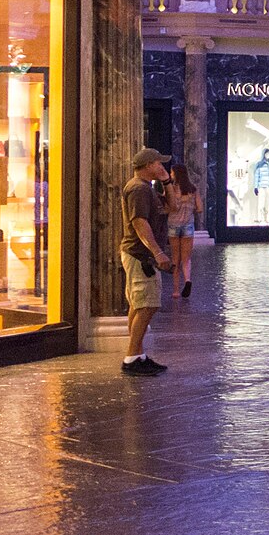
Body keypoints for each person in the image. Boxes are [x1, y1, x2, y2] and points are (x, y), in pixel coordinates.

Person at [118, 149, 174, 375]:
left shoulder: (146, 188)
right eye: (158, 163)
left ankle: (137, 354)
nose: (162, 166)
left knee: (139, 304)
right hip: (140, 255)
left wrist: (167, 181)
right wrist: (158, 252)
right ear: (148, 164)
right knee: (147, 304)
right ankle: (132, 357)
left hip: (142, 254)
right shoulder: (138, 188)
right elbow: (140, 223)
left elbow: (173, 207)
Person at [163, 163, 200, 301]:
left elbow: (167, 208)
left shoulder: (170, 189)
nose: (171, 175)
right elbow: (200, 208)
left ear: (176, 174)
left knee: (175, 259)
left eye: (172, 173)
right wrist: (189, 209)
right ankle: (188, 280)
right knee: (186, 259)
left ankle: (176, 291)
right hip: (188, 226)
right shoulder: (193, 189)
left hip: (173, 224)